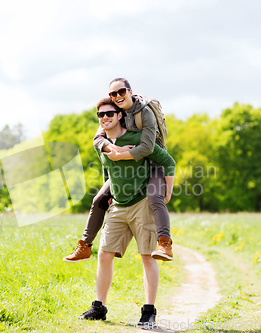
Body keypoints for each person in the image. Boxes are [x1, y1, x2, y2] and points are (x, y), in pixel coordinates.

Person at [77, 98, 176, 326]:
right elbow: (107, 168)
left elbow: (166, 160)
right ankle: (99, 307)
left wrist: (166, 191)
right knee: (104, 255)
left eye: (109, 113)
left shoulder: (139, 138)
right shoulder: (102, 142)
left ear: (120, 115)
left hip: (142, 202)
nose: (104, 118)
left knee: (148, 257)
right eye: (100, 115)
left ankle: (149, 311)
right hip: (118, 204)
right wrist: (108, 191)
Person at [64, 78, 173, 263]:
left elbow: (147, 148)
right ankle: (85, 245)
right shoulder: (114, 110)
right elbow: (98, 139)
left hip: (153, 164)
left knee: (155, 196)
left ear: (130, 91)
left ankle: (165, 243)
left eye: (121, 92)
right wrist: (110, 148)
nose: (117, 96)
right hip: (123, 163)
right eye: (112, 94)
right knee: (98, 199)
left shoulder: (145, 112)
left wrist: (120, 154)